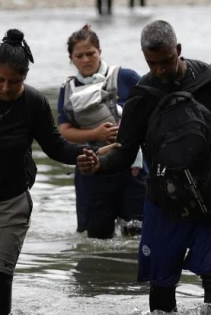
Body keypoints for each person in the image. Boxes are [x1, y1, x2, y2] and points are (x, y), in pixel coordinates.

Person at [77, 20, 211, 312]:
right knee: (161, 281)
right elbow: (124, 153)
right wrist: (99, 164)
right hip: (163, 200)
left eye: (166, 61)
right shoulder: (142, 96)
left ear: (178, 50)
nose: (160, 70)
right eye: (152, 63)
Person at [0, 29, 99, 315]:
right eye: (0, 80)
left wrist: (84, 155)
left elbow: (55, 146)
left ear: (25, 77)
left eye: (15, 82)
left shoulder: (33, 103)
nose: (7, 88)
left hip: (9, 205)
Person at [56, 24, 147, 239]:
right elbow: (64, 130)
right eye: (79, 56)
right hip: (91, 170)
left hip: (131, 169)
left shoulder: (125, 77)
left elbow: (150, 112)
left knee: (137, 234)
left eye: (91, 54)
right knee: (96, 237)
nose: (86, 60)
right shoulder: (67, 89)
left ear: (100, 52)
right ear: (71, 58)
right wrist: (96, 134)